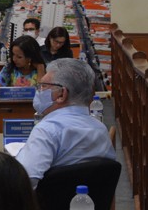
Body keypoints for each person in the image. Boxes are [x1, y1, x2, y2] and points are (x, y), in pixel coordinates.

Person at [15, 58, 116, 187]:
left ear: (61, 94)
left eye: (43, 86)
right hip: (90, 200)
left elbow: (23, 181)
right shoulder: (100, 129)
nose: (39, 91)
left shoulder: (47, 131)